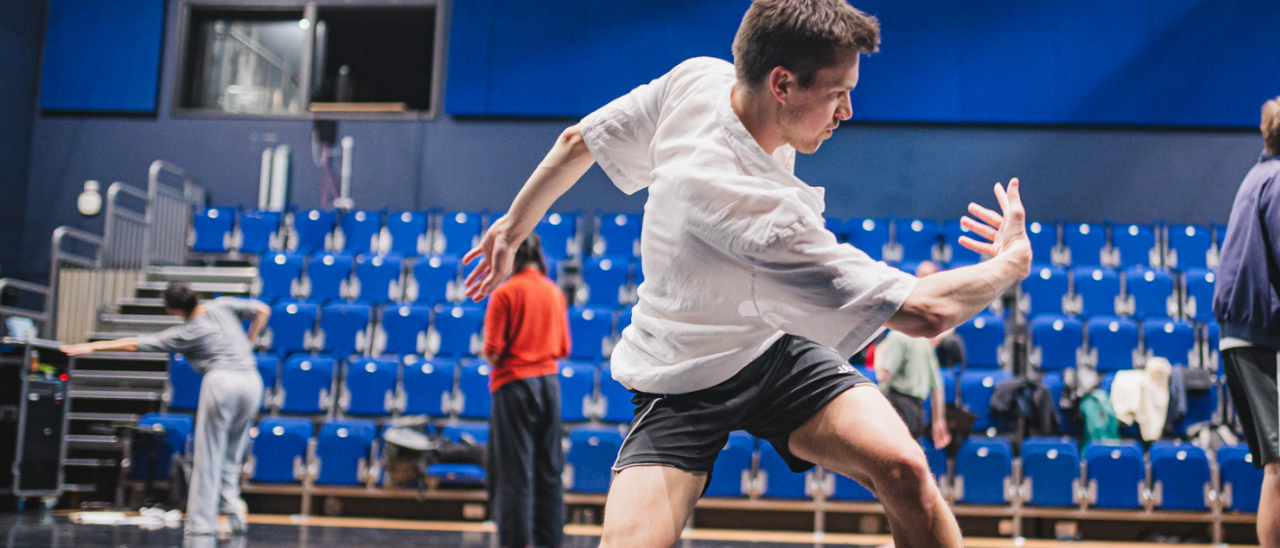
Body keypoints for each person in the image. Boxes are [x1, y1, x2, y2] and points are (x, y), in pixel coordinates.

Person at [462, 1, 1032, 545]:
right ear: (782, 84)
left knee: (905, 467)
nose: (848, 112)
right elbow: (926, 313)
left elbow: (577, 139)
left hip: (771, 351)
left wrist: (512, 229)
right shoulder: (754, 214)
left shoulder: (701, 79)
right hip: (681, 379)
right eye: (838, 93)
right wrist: (1012, 263)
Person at [63, 283, 270, 537]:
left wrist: (92, 347)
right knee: (231, 453)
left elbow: (135, 344)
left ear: (173, 310)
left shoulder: (188, 331)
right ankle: (232, 509)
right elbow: (263, 309)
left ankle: (201, 524)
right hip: (251, 381)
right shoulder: (222, 305)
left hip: (223, 381)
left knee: (209, 455)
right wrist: (250, 342)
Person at [1214, 95, 1280, 548]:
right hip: (1261, 340)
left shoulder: (1259, 176)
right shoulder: (1276, 181)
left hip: (1246, 337)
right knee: (1279, 465)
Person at [480, 233, 571, 548]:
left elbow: (493, 350)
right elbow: (563, 347)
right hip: (549, 385)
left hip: (514, 385)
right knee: (550, 473)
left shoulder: (505, 293)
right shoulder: (554, 292)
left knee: (514, 475)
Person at [875, 261, 951, 449]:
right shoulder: (924, 339)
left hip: (898, 407)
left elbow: (883, 376)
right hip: (917, 412)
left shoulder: (897, 336)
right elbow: (937, 387)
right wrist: (938, 422)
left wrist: (879, 354)